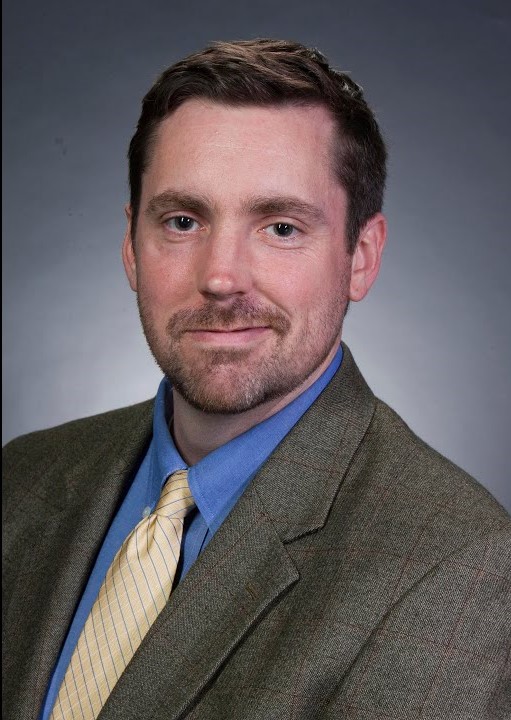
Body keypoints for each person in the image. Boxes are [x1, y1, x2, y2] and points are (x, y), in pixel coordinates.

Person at [2, 39, 510, 720]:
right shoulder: (23, 478)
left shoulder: (454, 568)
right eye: (183, 221)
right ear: (131, 246)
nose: (221, 277)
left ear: (361, 257)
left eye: (280, 227)